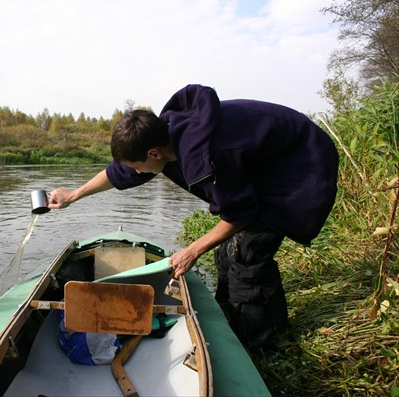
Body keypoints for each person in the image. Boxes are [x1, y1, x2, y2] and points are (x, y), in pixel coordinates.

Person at [48, 84, 339, 351]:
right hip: (262, 163)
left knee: (246, 255)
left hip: (301, 168)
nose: (137, 173)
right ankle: (234, 319)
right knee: (227, 252)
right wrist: (74, 194)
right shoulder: (163, 139)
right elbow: (119, 172)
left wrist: (193, 249)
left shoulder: (210, 154)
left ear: (154, 153)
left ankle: (262, 345)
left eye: (139, 166)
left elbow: (241, 213)